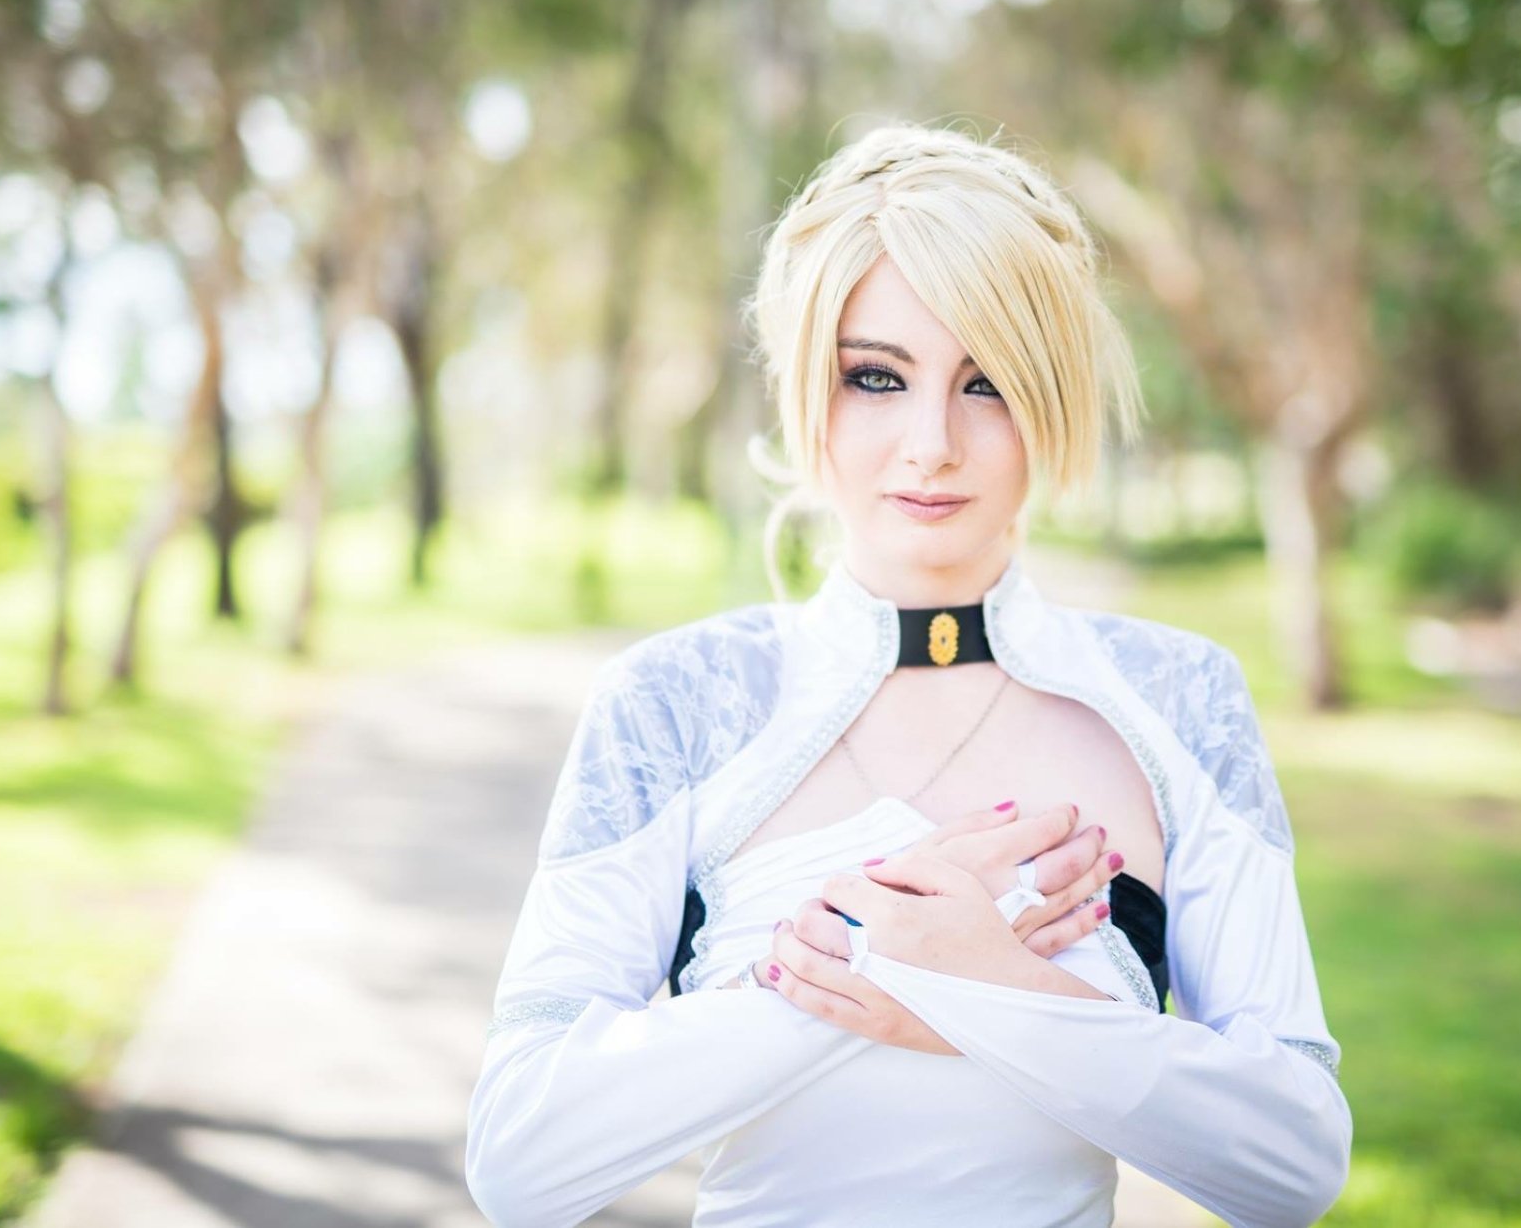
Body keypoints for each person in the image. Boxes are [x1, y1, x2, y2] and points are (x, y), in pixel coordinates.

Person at [464, 123, 1352, 1228]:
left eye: (988, 382)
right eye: (875, 377)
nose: (931, 442)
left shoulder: (1180, 697)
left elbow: (1295, 1162)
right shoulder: (673, 701)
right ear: (806, 390)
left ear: (1053, 398)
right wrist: (869, 955)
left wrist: (1003, 989)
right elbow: (520, 1158)